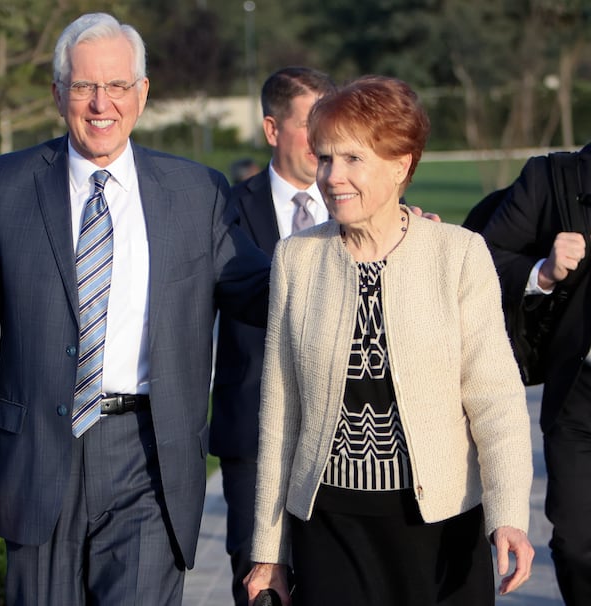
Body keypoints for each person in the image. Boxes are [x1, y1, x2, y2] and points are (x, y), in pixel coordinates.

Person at [0, 12, 270, 605]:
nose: (100, 103)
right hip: (38, 460)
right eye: (85, 85)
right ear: (58, 92)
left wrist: (364, 245)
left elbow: (260, 291)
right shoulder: (2, 187)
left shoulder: (197, 193)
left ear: (142, 94)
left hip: (150, 460)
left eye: (117, 86)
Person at [243, 75, 535, 606]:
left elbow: (496, 400)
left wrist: (510, 515)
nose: (332, 177)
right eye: (326, 158)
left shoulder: (458, 254)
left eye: (353, 159)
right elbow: (280, 413)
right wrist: (269, 550)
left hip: (440, 526)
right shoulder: (297, 259)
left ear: (401, 165)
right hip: (330, 526)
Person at [210, 66, 336, 606]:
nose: (325, 140)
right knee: (263, 592)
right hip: (253, 438)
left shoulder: (359, 202)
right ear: (271, 129)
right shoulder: (223, 211)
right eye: (312, 125)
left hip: (341, 439)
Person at [481, 142, 591, 606]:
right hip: (581, 397)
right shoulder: (554, 177)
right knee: (577, 546)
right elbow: (485, 256)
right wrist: (543, 271)